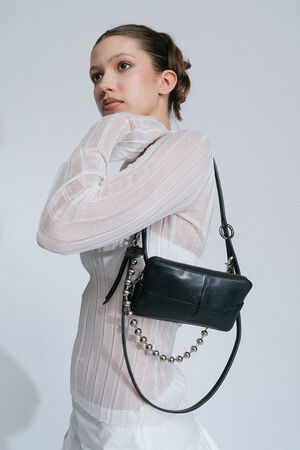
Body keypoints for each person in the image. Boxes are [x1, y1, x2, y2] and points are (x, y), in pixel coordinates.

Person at [36, 24, 220, 450]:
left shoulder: (187, 151)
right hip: (87, 408)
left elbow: (56, 229)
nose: (105, 85)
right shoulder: (130, 172)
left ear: (165, 81)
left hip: (134, 423)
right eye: (96, 75)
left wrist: (105, 132)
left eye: (122, 66)